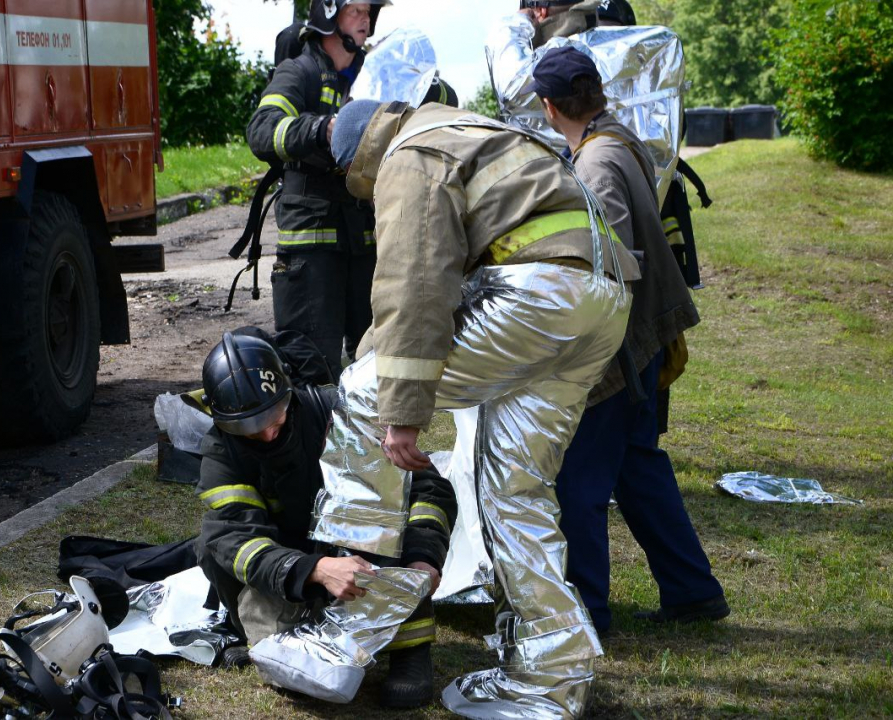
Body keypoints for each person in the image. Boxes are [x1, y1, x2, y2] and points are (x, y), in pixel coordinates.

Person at [308, 98, 640, 717]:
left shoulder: (409, 152)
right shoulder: (476, 131)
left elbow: (416, 281)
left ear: (363, 157)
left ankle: (351, 624)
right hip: (601, 300)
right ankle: (551, 676)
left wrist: (401, 407)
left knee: (360, 392)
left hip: (539, 292)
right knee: (513, 494)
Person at [532, 47, 729, 637]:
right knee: (638, 468)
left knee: (578, 483)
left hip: (617, 347)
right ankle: (693, 591)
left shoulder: (594, 164)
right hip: (642, 337)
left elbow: (610, 259)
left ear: (548, 106)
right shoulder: (618, 138)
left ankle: (587, 615)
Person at [193, 330, 457, 708]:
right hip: (294, 568)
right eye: (248, 428)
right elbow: (236, 535)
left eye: (274, 416)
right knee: (212, 544)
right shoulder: (222, 451)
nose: (267, 433)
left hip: (358, 552)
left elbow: (428, 489)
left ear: (289, 389)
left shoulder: (338, 412)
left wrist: (424, 557)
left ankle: (409, 650)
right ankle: (271, 636)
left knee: (382, 511)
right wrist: (315, 569)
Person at [246, 0, 390, 381]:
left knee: (379, 363)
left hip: (364, 240)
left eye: (368, 11)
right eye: (355, 10)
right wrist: (321, 129)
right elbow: (262, 130)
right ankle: (312, 439)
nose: (365, 19)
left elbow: (443, 96)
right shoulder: (299, 71)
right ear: (328, 14)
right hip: (311, 246)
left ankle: (376, 441)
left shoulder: (373, 72)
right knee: (312, 369)